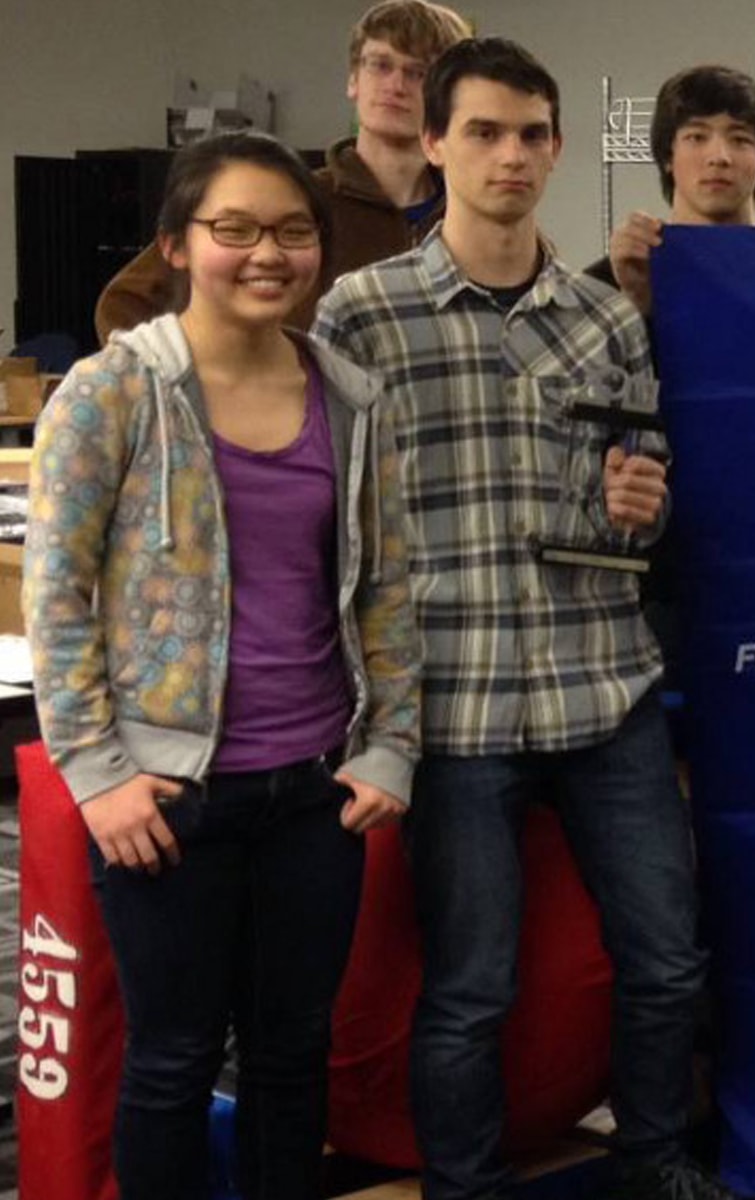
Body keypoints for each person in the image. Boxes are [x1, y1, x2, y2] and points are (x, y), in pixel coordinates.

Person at [313, 38, 734, 1200]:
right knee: (469, 985)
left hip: (605, 688)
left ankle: (653, 1161)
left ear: (556, 148)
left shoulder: (606, 320)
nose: (511, 156)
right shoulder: (361, 318)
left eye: (532, 134)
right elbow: (327, 529)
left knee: (665, 958)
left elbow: (638, 515)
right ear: (434, 144)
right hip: (453, 705)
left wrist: (644, 509)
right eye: (485, 132)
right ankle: (463, 1185)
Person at [24, 130, 423, 1200]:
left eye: (293, 232)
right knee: (172, 1059)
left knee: (294, 1060)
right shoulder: (111, 394)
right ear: (175, 245)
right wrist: (98, 776)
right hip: (165, 797)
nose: (266, 254)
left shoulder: (350, 396)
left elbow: (386, 586)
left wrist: (390, 748)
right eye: (232, 229)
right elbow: (55, 598)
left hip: (313, 795)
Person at [94, 0, 471, 339]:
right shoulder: (289, 199)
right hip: (295, 412)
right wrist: (198, 390)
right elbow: (126, 301)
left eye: (418, 72)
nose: (395, 85)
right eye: (380, 65)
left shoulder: (468, 216)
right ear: (354, 80)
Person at [590, 64, 755, 313]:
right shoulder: (609, 281)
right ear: (668, 155)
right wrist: (637, 302)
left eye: (740, 139)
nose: (719, 157)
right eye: (696, 137)